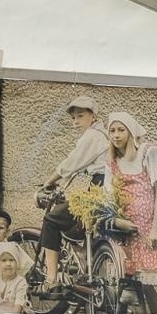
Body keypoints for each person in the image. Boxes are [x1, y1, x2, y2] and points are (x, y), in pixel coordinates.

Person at [37, 95, 108, 289]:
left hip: (100, 188)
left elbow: (70, 164)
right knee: (74, 220)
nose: (76, 121)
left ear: (93, 116)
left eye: (81, 116)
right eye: (73, 118)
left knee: (52, 219)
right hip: (107, 188)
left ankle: (51, 278)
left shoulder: (92, 136)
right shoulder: (104, 135)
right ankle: (82, 260)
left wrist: (48, 182)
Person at [104, 111, 157, 314]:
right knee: (127, 281)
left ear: (130, 132)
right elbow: (108, 194)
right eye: (112, 131)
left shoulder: (146, 153)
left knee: (146, 282)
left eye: (121, 130)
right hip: (124, 227)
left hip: (145, 226)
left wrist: (155, 228)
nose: (116, 135)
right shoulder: (113, 161)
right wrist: (115, 220)